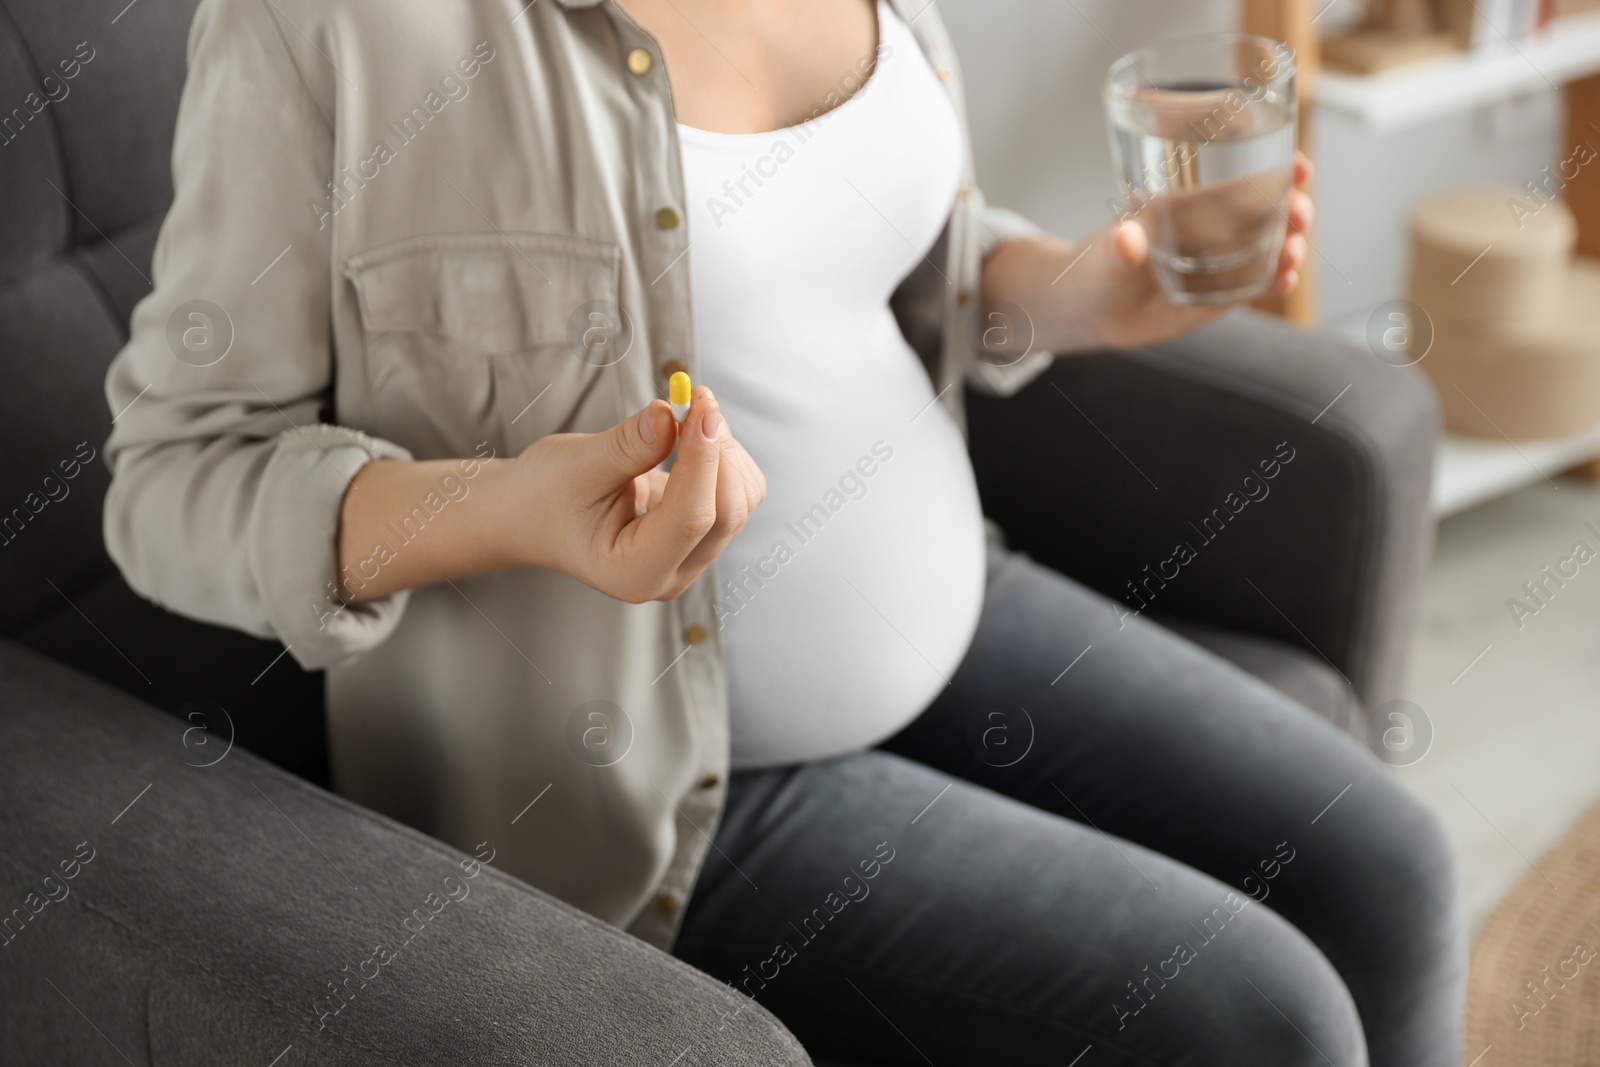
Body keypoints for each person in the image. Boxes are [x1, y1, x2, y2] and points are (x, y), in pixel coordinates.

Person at [103, 0, 1463, 1062]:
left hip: (952, 603)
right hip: (657, 782)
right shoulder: (324, 29)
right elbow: (172, 480)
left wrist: (1075, 297)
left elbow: (872, 251)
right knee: (1262, 1022)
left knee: (1391, 870)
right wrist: (509, 509)